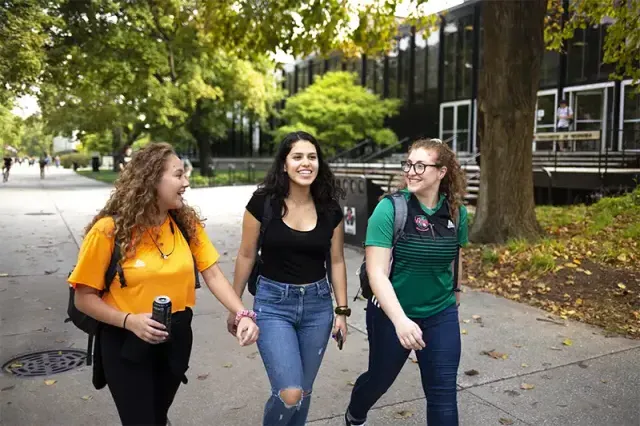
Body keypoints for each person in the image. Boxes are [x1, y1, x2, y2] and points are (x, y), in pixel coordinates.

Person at [68, 142, 259, 426]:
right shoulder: (108, 231)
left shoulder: (186, 224)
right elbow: (83, 298)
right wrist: (130, 321)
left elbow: (213, 273)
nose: (187, 182)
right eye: (179, 175)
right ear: (152, 179)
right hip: (125, 342)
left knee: (156, 415)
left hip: (176, 338)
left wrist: (242, 313)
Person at [345, 138, 469, 426]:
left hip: (440, 313)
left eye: (421, 165)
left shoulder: (456, 213)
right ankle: (355, 413)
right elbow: (376, 273)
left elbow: (457, 256)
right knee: (379, 379)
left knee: (443, 393)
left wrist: (457, 292)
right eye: (409, 164)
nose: (411, 171)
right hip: (391, 314)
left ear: (442, 172)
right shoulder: (390, 209)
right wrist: (401, 321)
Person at [230, 131, 349, 426]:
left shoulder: (330, 208)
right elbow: (246, 255)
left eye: (312, 157)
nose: (306, 163)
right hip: (273, 306)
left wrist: (342, 312)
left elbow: (336, 260)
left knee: (304, 392)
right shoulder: (263, 203)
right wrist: (235, 306)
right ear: (284, 164)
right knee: (290, 393)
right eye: (297, 157)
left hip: (318, 307)